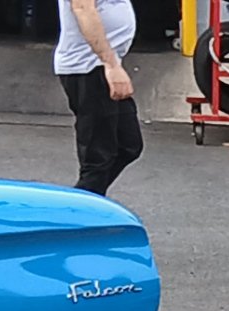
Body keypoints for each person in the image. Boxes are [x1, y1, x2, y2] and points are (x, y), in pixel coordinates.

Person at [55, 0, 144, 197]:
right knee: (99, 158)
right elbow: (83, 9)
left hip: (102, 66)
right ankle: (76, 212)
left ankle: (86, 200)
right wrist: (110, 64)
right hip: (88, 68)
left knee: (127, 145)